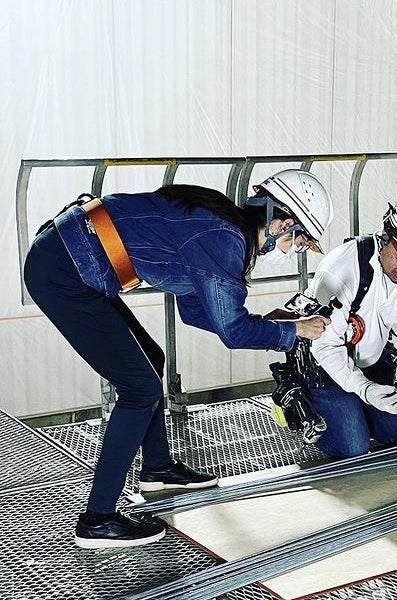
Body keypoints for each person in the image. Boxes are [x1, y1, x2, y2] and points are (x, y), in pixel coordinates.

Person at [24, 169, 334, 549]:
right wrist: (295, 331)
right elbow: (233, 332)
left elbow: (196, 311)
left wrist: (270, 326)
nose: (289, 251)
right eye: (297, 242)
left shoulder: (220, 222)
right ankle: (97, 519)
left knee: (150, 359)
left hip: (70, 254)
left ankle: (157, 468)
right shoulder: (224, 239)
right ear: (281, 224)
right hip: (65, 269)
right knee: (140, 388)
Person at [302, 190, 397, 458]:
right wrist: (365, 389)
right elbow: (325, 346)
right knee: (353, 448)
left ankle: (357, 410)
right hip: (323, 364)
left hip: (373, 356)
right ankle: (313, 406)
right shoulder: (343, 268)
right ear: (385, 237)